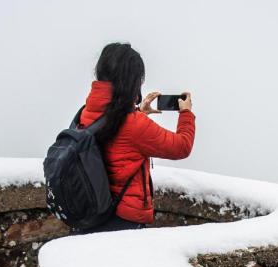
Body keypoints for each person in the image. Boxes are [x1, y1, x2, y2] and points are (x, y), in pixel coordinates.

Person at [74, 42, 195, 234]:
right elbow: (181, 147)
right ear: (131, 80)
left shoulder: (87, 111)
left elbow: (114, 136)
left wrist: (138, 111)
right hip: (123, 220)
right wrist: (186, 113)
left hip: (91, 214)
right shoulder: (132, 124)